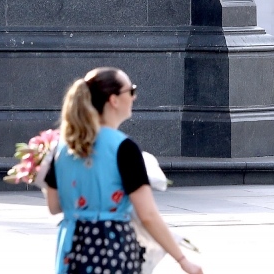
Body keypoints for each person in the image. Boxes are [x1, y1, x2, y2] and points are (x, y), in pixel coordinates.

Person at [43, 68, 202, 274]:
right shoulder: (123, 147)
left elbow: (54, 206)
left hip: (71, 247)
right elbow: (148, 215)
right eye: (131, 90)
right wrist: (182, 260)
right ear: (114, 100)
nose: (134, 97)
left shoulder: (62, 147)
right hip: (111, 247)